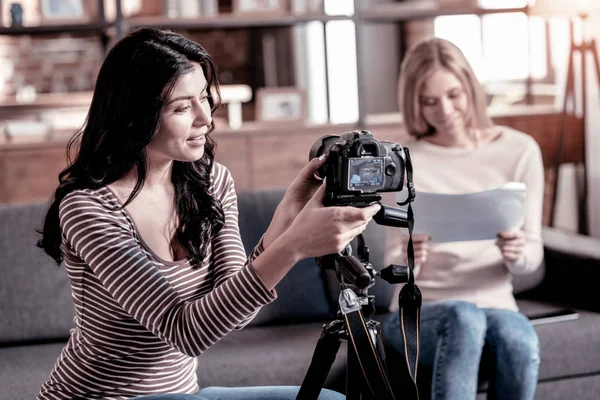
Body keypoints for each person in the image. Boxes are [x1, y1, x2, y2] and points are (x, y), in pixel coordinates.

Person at [36, 28, 381, 400]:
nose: (206, 119)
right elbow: (187, 332)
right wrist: (293, 247)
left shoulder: (210, 182)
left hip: (181, 394)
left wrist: (286, 219)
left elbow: (234, 311)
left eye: (203, 97)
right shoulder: (88, 208)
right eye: (182, 107)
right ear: (135, 115)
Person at [382, 37, 543, 400]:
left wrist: (517, 253)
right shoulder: (404, 159)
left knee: (520, 341)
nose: (446, 110)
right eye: (430, 101)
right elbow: (390, 265)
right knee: (464, 317)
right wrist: (410, 259)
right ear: (415, 104)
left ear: (470, 87)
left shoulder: (520, 150)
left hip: (497, 303)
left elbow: (533, 254)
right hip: (420, 310)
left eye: (454, 94)